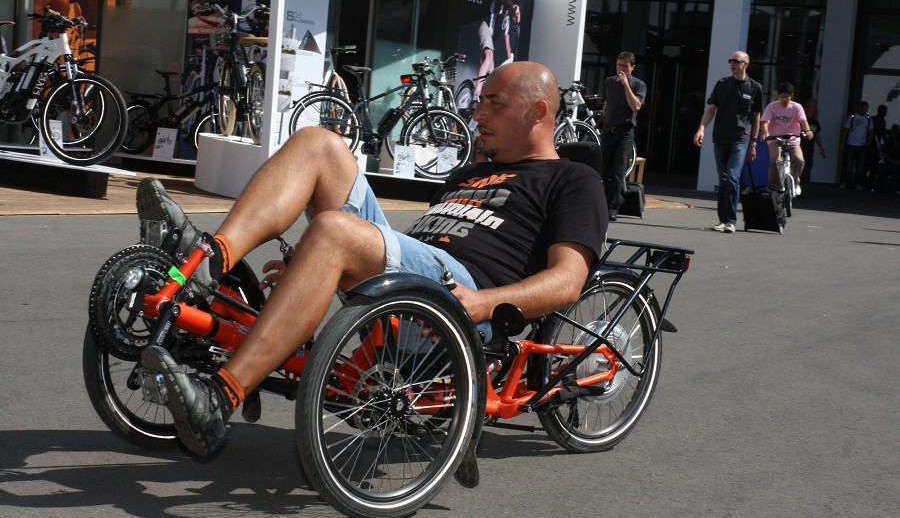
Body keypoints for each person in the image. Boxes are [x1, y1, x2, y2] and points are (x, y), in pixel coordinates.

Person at [138, 61, 608, 458]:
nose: (478, 113)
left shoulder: (572, 179)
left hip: (460, 300)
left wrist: (484, 303)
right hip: (411, 271)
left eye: (494, 104)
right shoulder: (472, 172)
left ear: (538, 112)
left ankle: (219, 398)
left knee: (333, 233)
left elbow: (567, 281)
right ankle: (210, 258)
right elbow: (415, 245)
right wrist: (314, 265)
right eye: (481, 101)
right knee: (318, 143)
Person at [693, 50, 763, 233]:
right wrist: (701, 128)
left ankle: (731, 220)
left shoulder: (755, 87)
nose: (732, 64)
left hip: (740, 138)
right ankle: (722, 220)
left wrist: (753, 143)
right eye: (730, 60)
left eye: (736, 61)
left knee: (732, 177)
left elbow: (756, 118)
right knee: (723, 180)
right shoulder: (722, 84)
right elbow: (711, 109)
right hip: (720, 137)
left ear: (745, 64)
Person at [600, 51, 646, 221]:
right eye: (619, 65)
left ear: (632, 68)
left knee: (618, 171)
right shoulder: (610, 82)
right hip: (608, 130)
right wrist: (603, 122)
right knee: (603, 170)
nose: (621, 69)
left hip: (625, 132)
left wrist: (626, 85)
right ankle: (601, 204)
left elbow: (636, 106)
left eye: (625, 66)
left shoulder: (638, 85)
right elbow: (607, 103)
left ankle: (612, 207)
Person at [759, 82, 814, 197]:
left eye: (787, 97)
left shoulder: (796, 107)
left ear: (791, 96)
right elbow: (764, 121)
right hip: (774, 138)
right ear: (777, 96)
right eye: (782, 96)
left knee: (799, 160)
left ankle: (795, 181)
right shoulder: (772, 107)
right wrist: (765, 132)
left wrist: (808, 131)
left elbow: (803, 120)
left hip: (792, 138)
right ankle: (774, 187)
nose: (784, 99)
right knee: (775, 160)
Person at [473, 0, 521, 101]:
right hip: (484, 24)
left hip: (491, 34)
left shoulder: (506, 16)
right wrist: (514, 7)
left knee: (491, 71)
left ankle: (482, 98)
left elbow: (506, 36)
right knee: (489, 56)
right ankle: (476, 94)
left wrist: (510, 57)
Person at [839, 101, 873, 190]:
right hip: (851, 143)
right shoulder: (852, 117)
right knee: (848, 165)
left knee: (860, 166)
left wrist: (869, 141)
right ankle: (845, 182)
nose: (865, 111)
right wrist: (842, 142)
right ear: (860, 108)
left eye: (866, 109)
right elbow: (845, 130)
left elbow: (871, 131)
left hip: (862, 145)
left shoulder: (868, 118)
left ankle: (856, 183)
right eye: (864, 108)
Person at [799, 98, 826, 185]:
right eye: (812, 107)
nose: (813, 109)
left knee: (808, 166)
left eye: (814, 107)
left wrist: (821, 148)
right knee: (801, 165)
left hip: (810, 147)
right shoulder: (802, 119)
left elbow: (817, 135)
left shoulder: (815, 121)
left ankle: (802, 184)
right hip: (801, 145)